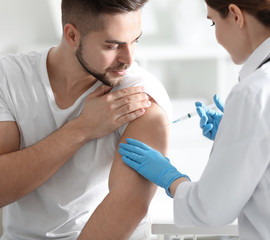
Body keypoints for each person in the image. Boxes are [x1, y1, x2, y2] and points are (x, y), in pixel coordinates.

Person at [119, 0, 270, 239]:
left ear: (235, 15)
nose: (217, 37)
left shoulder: (256, 90)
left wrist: (171, 178)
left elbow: (210, 210)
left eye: (213, 23)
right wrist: (237, 135)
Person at [0, 0, 172, 239]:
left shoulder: (139, 95)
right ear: (72, 35)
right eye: (113, 46)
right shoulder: (9, 78)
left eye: (135, 41)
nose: (129, 59)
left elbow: (129, 205)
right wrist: (82, 129)